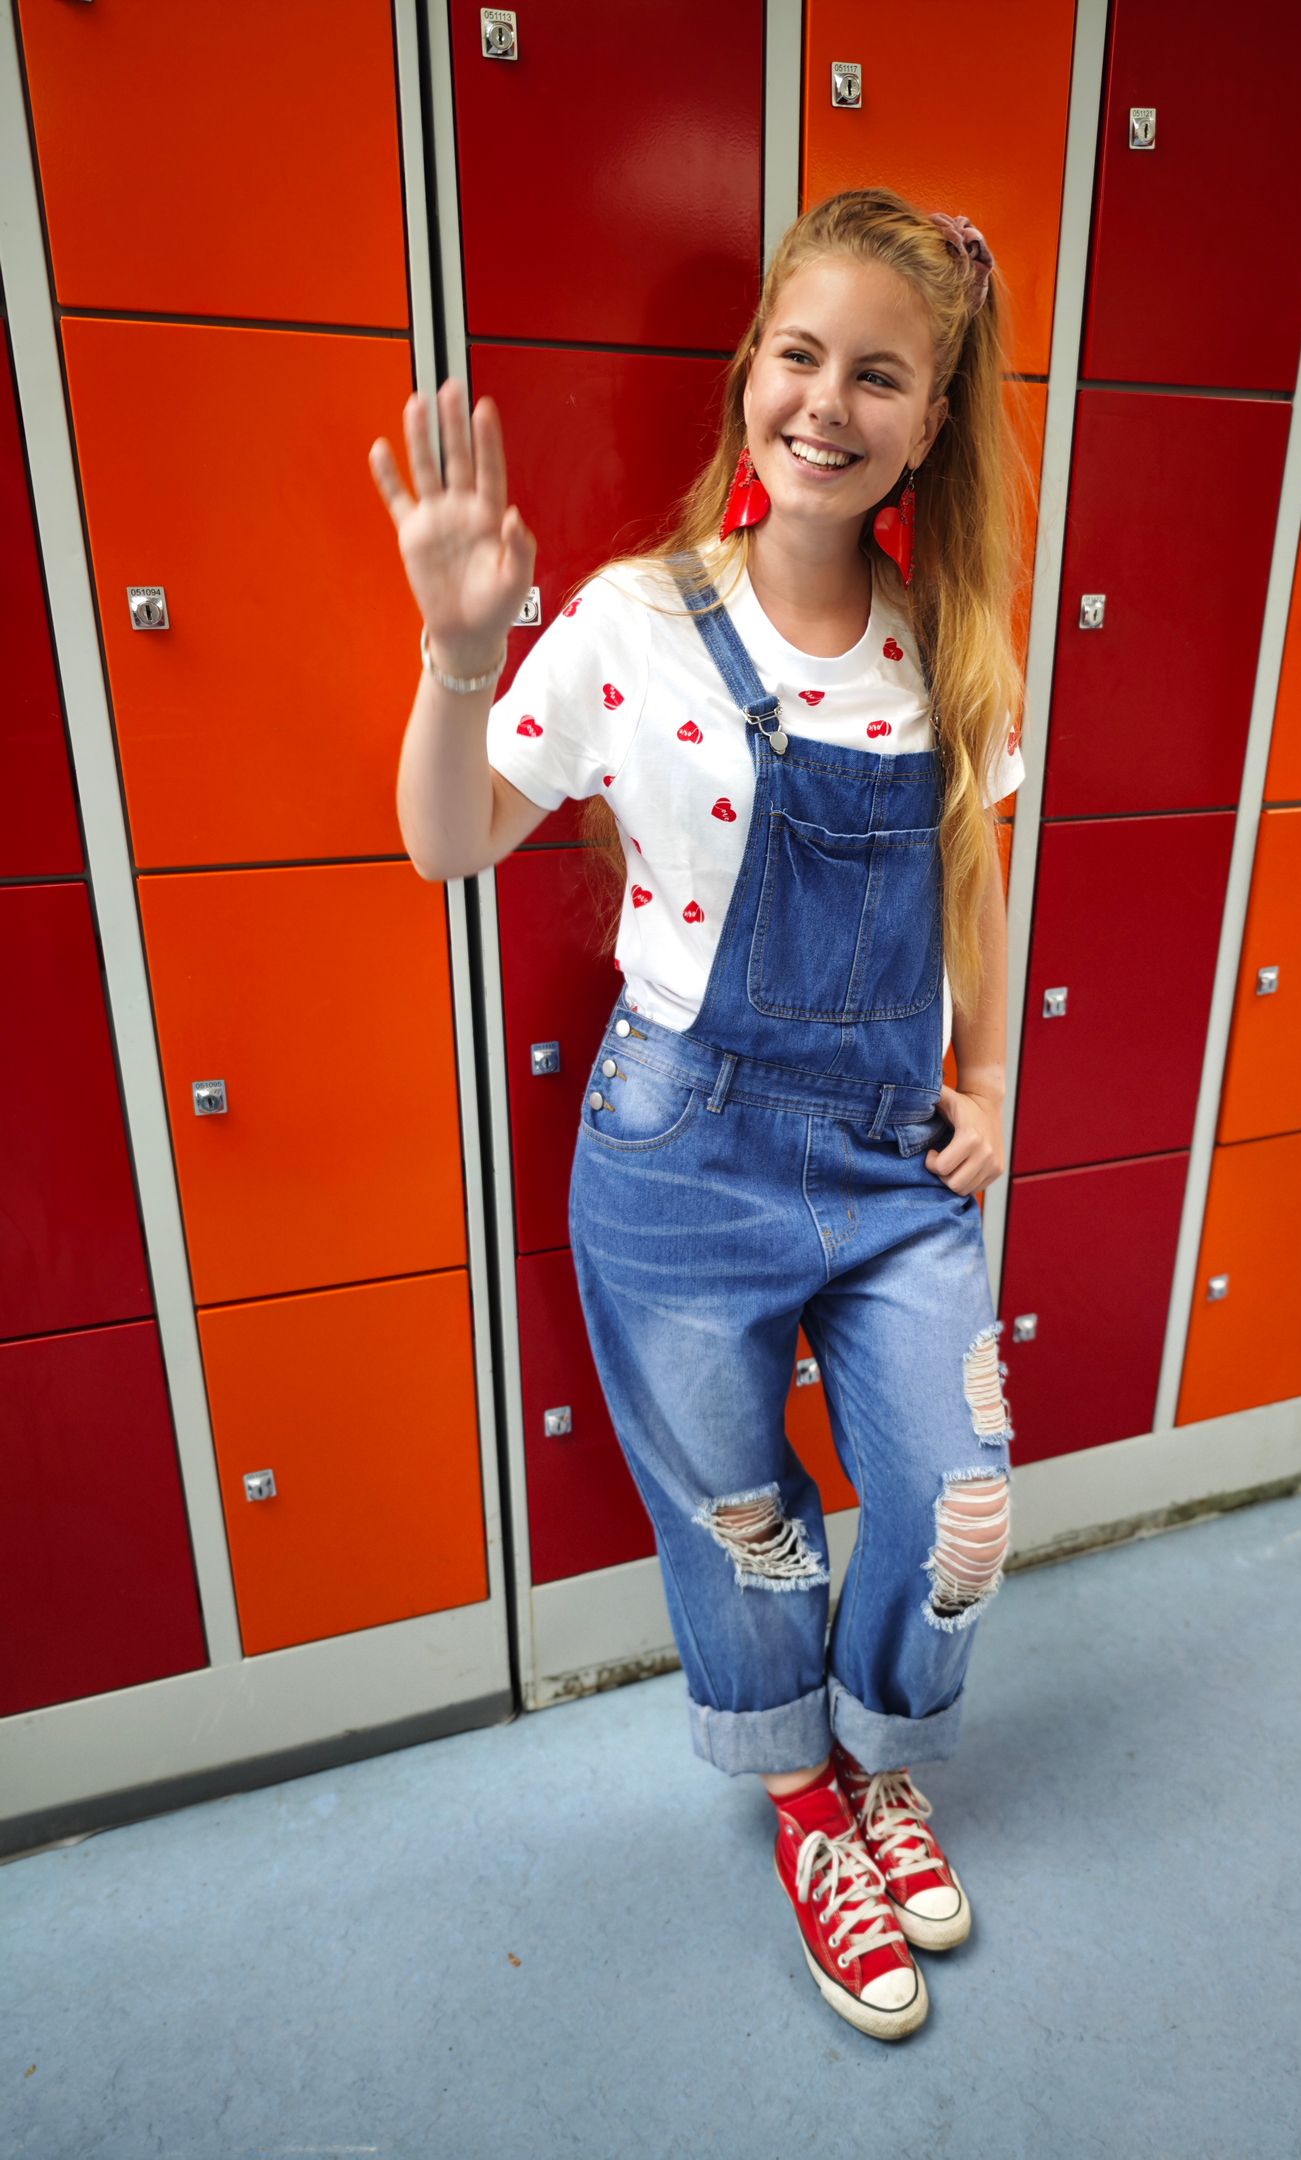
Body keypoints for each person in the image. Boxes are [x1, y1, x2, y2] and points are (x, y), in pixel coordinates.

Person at [370, 186, 1031, 2043]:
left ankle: (882, 1755)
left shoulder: (951, 643)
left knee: (958, 1501)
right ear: (752, 374)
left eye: (879, 375)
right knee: (747, 1522)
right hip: (682, 1158)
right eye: (799, 357)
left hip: (892, 1163)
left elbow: (971, 879)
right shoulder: (632, 623)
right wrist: (458, 648)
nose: (830, 402)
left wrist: (991, 1078)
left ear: (928, 419)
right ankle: (808, 1802)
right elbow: (448, 843)